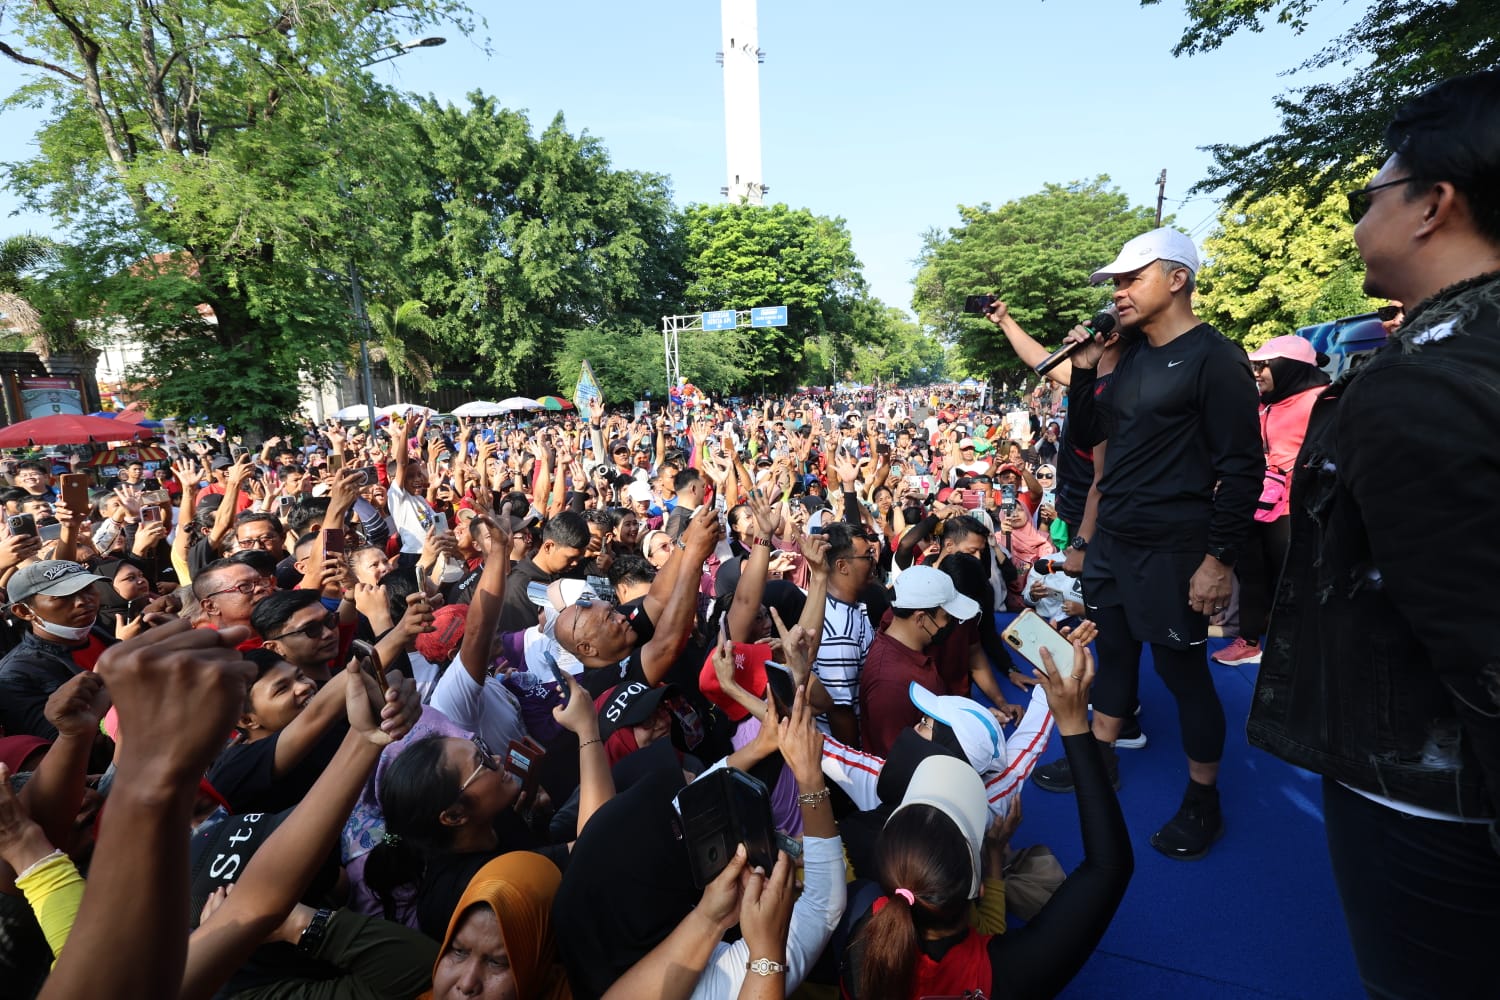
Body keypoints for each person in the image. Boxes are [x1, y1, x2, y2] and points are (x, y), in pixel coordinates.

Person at [1248, 71, 1500, 997]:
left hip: (1431, 807)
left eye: (1370, 195)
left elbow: (1483, 653)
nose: (1358, 221)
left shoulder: (1419, 389)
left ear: (1435, 204)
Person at [1032, 227, 1263, 861]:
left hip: (1174, 547)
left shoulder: (1215, 358)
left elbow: (1244, 468)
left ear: (1177, 279)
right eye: (1115, 282)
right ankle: (1101, 756)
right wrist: (1083, 372)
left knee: (1183, 673)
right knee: (1112, 652)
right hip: (1114, 543)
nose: (1118, 292)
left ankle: (1203, 799)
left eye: (1131, 278)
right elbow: (1087, 435)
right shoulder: (1125, 356)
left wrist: (1218, 561)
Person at [840, 632, 1131, 999]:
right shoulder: (1007, 975)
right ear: (978, 888)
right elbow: (1110, 867)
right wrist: (1074, 723)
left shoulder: (855, 931)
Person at [1213, 334, 1330, 666]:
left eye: (1266, 365)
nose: (1258, 373)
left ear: (1290, 368)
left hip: (1295, 508)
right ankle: (1249, 642)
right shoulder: (1263, 402)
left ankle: (1300, 650)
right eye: (1257, 366)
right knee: (1252, 574)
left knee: (1293, 579)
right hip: (1256, 501)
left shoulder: (1322, 400)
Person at [858, 565, 978, 757]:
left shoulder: (906, 636)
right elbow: (899, 760)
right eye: (946, 617)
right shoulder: (891, 684)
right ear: (921, 618)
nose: (950, 624)